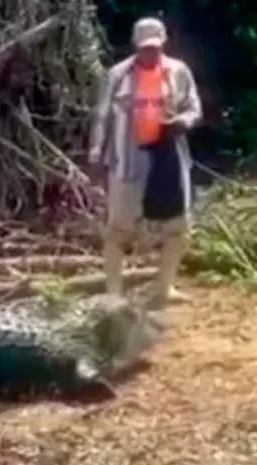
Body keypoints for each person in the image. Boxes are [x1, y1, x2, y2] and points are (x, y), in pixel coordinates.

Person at [87, 16, 202, 308]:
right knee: (118, 229)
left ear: (163, 43)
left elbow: (193, 106)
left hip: (169, 158)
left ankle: (164, 288)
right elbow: (102, 115)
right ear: (135, 46)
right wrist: (96, 152)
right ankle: (115, 295)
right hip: (128, 159)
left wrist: (183, 121)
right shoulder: (118, 75)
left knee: (178, 227)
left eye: (154, 47)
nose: (149, 53)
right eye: (144, 48)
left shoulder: (178, 71)